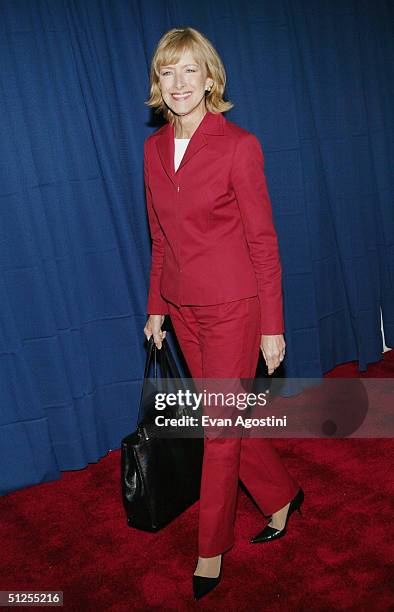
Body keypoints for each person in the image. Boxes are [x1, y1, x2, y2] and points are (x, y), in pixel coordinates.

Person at [143, 26, 304, 601]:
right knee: (227, 416)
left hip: (236, 307)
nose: (180, 82)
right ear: (158, 83)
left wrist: (272, 324)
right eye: (169, 71)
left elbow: (264, 240)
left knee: (217, 429)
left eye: (191, 70)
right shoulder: (153, 148)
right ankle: (282, 495)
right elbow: (160, 237)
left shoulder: (239, 144)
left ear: (210, 79)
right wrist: (156, 307)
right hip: (183, 308)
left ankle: (210, 550)